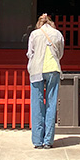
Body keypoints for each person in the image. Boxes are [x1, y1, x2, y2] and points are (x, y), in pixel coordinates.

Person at [26, 13, 64, 149]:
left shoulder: (34, 34)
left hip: (37, 69)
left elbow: (30, 53)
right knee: (51, 103)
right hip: (53, 68)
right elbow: (60, 53)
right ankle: (48, 140)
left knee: (37, 103)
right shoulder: (57, 34)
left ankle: (37, 140)